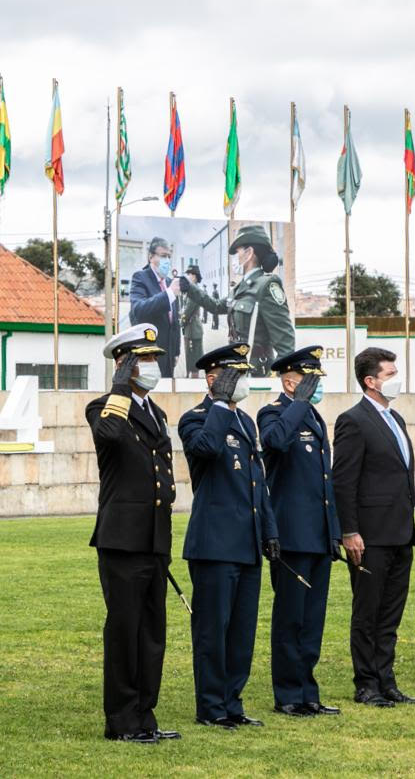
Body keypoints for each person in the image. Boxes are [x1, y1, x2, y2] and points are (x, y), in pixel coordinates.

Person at [84, 324, 180, 745]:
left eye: (154, 357)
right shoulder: (103, 407)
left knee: (152, 632)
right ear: (124, 364)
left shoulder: (156, 412)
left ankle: (145, 716)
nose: (153, 365)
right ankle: (122, 721)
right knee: (125, 631)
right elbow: (110, 435)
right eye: (144, 359)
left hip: (154, 538)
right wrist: (120, 387)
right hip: (122, 540)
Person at [179, 343, 280, 730]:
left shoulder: (247, 423)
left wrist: (269, 531)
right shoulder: (196, 418)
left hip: (247, 543)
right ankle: (211, 707)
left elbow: (258, 484)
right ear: (213, 379)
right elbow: (205, 449)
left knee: (241, 632)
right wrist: (220, 403)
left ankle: (232, 702)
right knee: (213, 631)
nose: (243, 382)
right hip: (215, 544)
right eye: (235, 375)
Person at [332, 347, 415, 708]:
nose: (396, 379)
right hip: (370, 535)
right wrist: (350, 531)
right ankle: (367, 683)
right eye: (390, 374)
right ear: (370, 381)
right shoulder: (353, 421)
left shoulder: (395, 418)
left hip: (400, 532)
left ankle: (386, 680)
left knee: (390, 613)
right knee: (368, 612)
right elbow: (344, 481)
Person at [256, 346, 342, 718]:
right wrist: (299, 403)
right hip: (291, 535)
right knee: (291, 618)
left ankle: (308, 691)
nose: (316, 387)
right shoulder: (274, 413)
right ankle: (288, 694)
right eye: (310, 381)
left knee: (312, 619)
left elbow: (324, 483)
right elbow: (275, 442)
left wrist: (334, 532)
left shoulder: (314, 418)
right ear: (291, 382)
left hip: (318, 536)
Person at [222, 225, 294, 375]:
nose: (235, 258)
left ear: (249, 253)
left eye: (237, 252)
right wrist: (190, 288)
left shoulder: (267, 285)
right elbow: (216, 305)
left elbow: (286, 346)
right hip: (237, 366)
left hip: (257, 371)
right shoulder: (240, 288)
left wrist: (273, 379)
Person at [127, 237, 181, 377]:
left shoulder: (169, 282)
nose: (167, 261)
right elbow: (139, 310)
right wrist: (169, 294)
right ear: (151, 257)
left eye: (169, 256)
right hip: (149, 355)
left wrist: (176, 352)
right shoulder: (140, 277)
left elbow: (175, 322)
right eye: (163, 256)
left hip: (168, 356)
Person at [179, 265, 220, 378]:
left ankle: (194, 380)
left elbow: (188, 311)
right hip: (190, 327)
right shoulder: (191, 290)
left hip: (193, 328)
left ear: (195, 276)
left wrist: (181, 322)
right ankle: (190, 376)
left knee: (194, 357)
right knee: (190, 355)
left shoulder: (194, 292)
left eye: (190, 274)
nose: (188, 276)